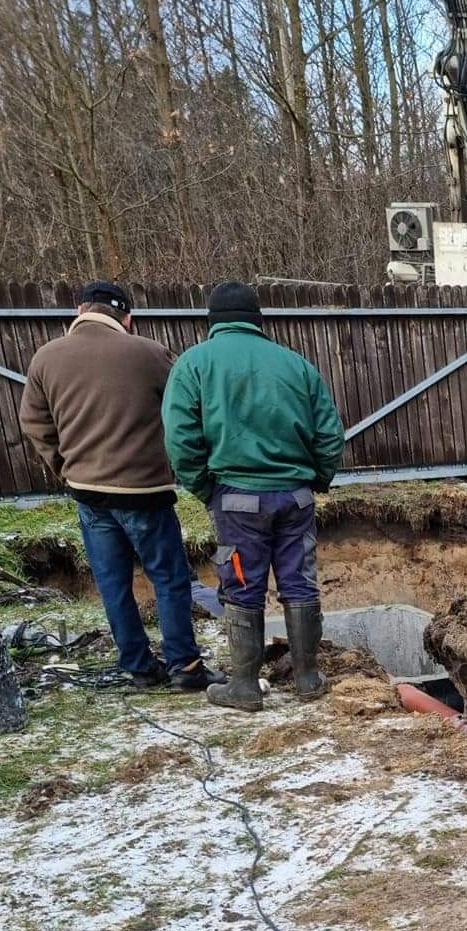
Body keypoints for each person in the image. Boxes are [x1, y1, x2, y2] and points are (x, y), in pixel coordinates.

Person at [18, 281, 218, 690]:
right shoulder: (150, 353)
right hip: (144, 490)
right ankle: (185, 667)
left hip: (89, 493)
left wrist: (65, 468)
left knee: (113, 583)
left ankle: (139, 668)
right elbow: (188, 408)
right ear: (126, 317)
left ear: (79, 310)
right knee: (169, 578)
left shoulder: (46, 358)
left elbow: (35, 423)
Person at [162, 281, 345, 713]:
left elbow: (180, 438)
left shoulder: (194, 364)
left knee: (242, 585)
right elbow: (329, 434)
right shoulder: (295, 364)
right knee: (299, 582)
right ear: (257, 320)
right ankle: (307, 677)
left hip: (237, 499)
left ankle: (243, 686)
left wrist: (204, 487)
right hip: (294, 497)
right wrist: (316, 479)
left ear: (212, 323)